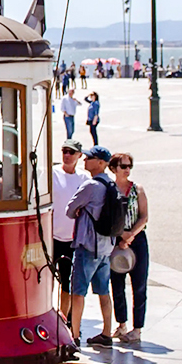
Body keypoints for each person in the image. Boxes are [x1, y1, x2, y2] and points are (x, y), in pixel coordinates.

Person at [65, 145, 119, 346]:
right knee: (104, 291)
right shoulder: (111, 185)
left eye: (89, 158)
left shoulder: (91, 186)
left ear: (101, 163)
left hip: (88, 246)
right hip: (106, 247)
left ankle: (75, 335)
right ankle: (106, 333)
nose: (85, 160)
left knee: (78, 291)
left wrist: (80, 211)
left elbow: (69, 210)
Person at [107, 152, 150, 344]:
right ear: (114, 168)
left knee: (139, 285)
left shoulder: (137, 189)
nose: (127, 170)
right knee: (117, 284)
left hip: (137, 240)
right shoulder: (109, 189)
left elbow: (144, 216)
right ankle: (121, 324)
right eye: (123, 166)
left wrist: (130, 235)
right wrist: (120, 235)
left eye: (129, 166)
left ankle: (137, 328)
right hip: (116, 239)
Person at [51, 139, 90, 323]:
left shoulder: (84, 178)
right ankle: (47, 314)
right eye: (64, 151)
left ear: (79, 156)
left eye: (71, 152)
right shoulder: (52, 173)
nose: (67, 155)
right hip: (52, 237)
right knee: (46, 278)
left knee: (67, 281)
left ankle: (64, 318)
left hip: (72, 239)